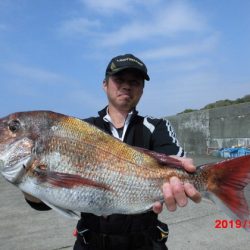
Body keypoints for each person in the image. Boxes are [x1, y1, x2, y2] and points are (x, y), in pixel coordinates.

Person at [24, 54, 201, 250]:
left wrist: (183, 170)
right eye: (119, 80)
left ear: (142, 89)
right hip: (92, 242)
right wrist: (30, 183)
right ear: (104, 84)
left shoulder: (156, 126)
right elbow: (41, 202)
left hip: (145, 241)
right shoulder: (82, 129)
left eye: (135, 82)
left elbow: (174, 160)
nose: (127, 86)